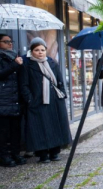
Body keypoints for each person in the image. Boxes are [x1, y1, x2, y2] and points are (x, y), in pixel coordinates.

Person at [23, 38, 72, 163]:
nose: (40, 52)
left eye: (42, 50)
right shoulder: (27, 65)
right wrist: (30, 99)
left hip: (54, 100)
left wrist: (62, 95)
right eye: (37, 50)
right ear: (31, 51)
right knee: (39, 128)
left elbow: (60, 81)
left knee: (55, 126)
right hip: (38, 101)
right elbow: (24, 85)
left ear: (46, 50)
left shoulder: (52, 63)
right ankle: (43, 154)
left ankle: (54, 152)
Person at [0, 34, 30, 167]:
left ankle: (15, 154)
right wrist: (14, 65)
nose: (9, 43)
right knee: (3, 132)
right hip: (3, 100)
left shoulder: (15, 57)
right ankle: (4, 156)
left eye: (10, 41)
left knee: (15, 131)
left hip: (16, 100)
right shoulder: (7, 59)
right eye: (6, 41)